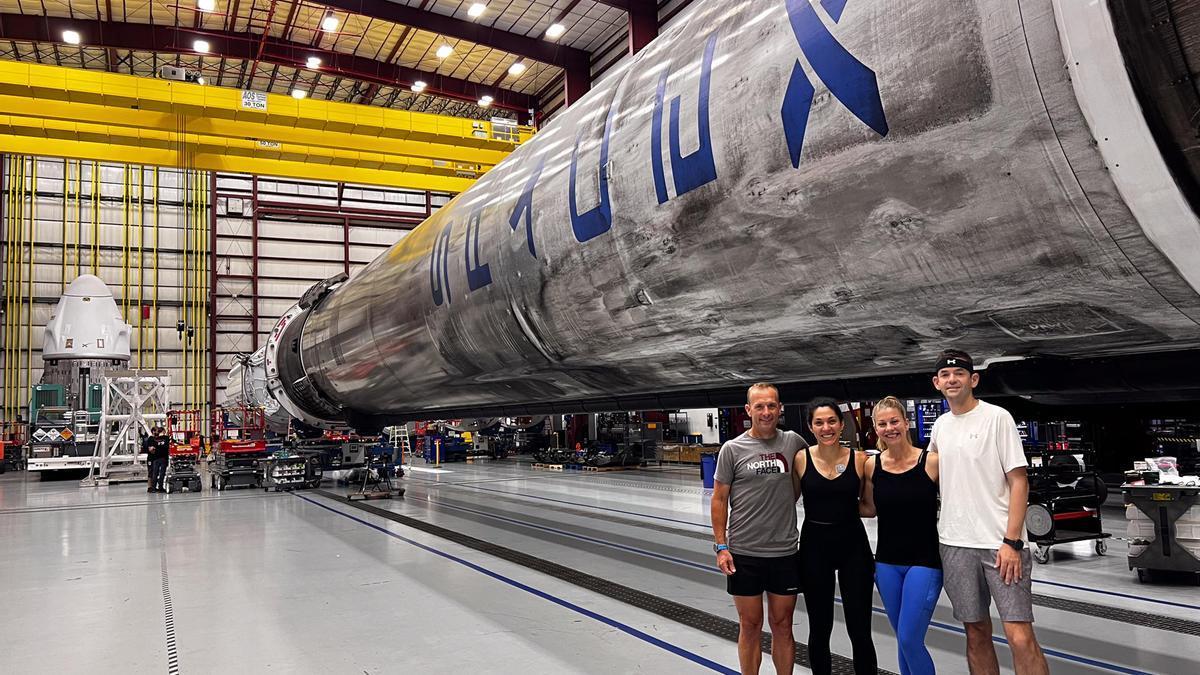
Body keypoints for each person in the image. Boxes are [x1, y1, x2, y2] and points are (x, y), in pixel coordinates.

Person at [929, 349, 1048, 675]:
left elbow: (1019, 482)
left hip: (1000, 546)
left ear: (974, 379)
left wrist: (1012, 542)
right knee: (976, 632)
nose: (952, 380)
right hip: (955, 545)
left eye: (960, 374)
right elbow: (924, 474)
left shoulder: (997, 418)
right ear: (937, 383)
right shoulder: (940, 426)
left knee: (1020, 636)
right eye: (946, 375)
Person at [712, 383, 805, 675]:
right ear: (748, 410)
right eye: (760, 406)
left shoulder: (794, 442)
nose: (766, 412)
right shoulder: (732, 448)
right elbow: (719, 498)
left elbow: (815, 473)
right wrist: (721, 545)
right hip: (744, 553)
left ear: (780, 408)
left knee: (782, 626)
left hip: (784, 552)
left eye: (772, 406)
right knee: (750, 625)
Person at [860, 396, 942, 675]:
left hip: (924, 562)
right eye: (882, 424)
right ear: (876, 428)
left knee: (909, 638)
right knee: (903, 641)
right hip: (886, 563)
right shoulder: (873, 466)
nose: (889, 428)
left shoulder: (931, 463)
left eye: (895, 421)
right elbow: (869, 509)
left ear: (906, 423)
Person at [794, 399, 876, 674]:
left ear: (842, 425)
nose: (826, 428)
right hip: (815, 546)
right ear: (810, 427)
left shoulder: (860, 460)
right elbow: (788, 498)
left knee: (860, 627)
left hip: (853, 544)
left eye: (831, 421)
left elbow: (869, 507)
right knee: (820, 626)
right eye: (819, 422)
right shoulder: (801, 459)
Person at [146, 426, 170, 493]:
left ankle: (153, 487)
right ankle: (159, 487)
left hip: (156, 458)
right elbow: (167, 446)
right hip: (162, 458)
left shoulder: (155, 439)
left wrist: (154, 449)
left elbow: (151, 449)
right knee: (160, 473)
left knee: (155, 473)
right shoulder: (166, 438)